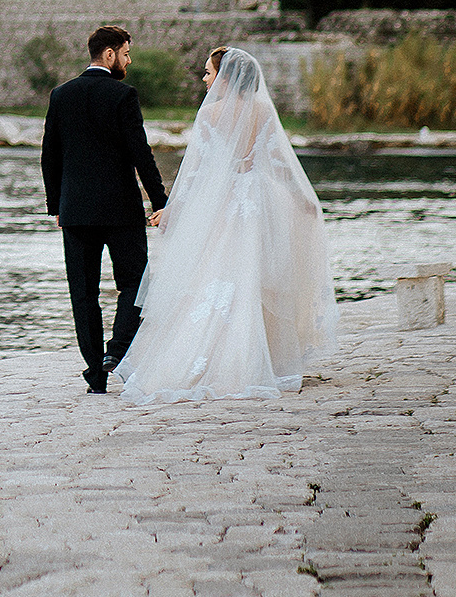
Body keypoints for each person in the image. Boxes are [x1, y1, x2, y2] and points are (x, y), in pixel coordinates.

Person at [115, 46, 339, 405]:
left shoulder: (211, 115)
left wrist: (172, 210)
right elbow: (280, 162)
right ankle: (260, 360)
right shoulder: (264, 111)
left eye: (208, 73)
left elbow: (196, 173)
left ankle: (214, 359)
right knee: (254, 276)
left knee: (213, 273)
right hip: (259, 202)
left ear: (226, 77)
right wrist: (303, 200)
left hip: (222, 205)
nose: (204, 79)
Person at [41, 25, 169, 394]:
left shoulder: (61, 94)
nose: (128, 61)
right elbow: (140, 154)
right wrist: (159, 201)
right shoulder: (123, 95)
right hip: (120, 211)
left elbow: (50, 155)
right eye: (126, 53)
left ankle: (95, 371)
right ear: (109, 54)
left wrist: (57, 206)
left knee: (83, 292)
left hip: (76, 212)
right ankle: (116, 352)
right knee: (135, 283)